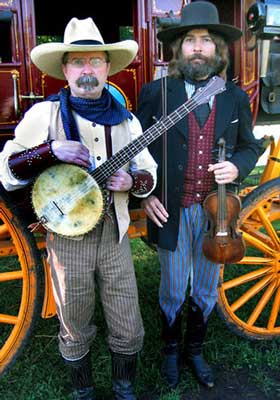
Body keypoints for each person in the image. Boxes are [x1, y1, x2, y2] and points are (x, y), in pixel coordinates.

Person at [0, 17, 157, 400]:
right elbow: (7, 171)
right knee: (74, 318)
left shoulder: (127, 119)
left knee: (128, 321)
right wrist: (49, 151)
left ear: (107, 67)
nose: (88, 70)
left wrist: (132, 183)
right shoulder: (45, 116)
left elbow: (148, 170)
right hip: (67, 241)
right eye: (78, 62)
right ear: (65, 70)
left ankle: (124, 389)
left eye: (96, 61)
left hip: (115, 235)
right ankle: (82, 391)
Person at [136, 0, 261, 390]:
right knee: (172, 287)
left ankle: (195, 349)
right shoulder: (156, 93)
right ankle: (171, 350)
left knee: (206, 288)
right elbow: (137, 150)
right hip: (171, 208)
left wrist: (239, 165)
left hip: (216, 215)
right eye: (190, 40)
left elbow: (249, 146)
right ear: (178, 49)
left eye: (206, 40)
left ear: (218, 50)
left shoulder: (234, 98)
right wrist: (146, 195)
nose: (197, 48)